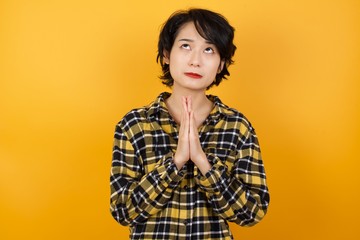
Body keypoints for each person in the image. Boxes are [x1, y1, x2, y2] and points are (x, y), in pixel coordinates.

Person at [110, 8, 270, 240]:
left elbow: (252, 212)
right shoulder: (133, 125)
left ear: (221, 63)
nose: (196, 61)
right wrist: (175, 162)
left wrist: (204, 163)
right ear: (166, 54)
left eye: (209, 49)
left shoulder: (237, 127)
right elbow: (123, 211)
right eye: (186, 46)